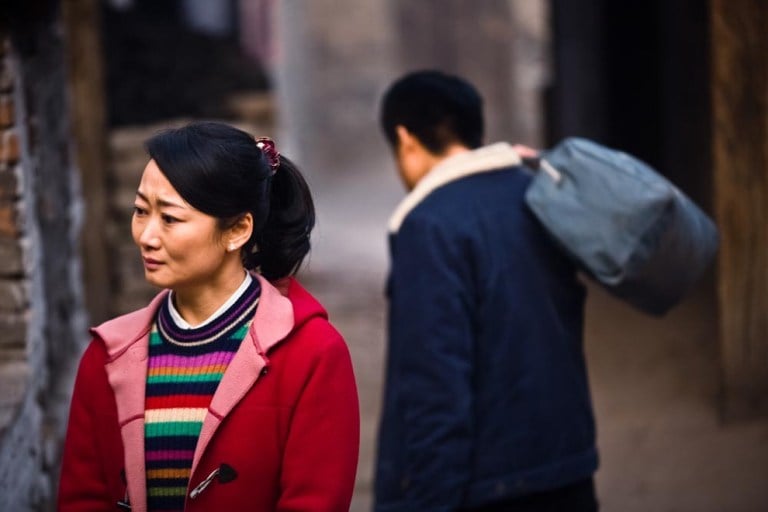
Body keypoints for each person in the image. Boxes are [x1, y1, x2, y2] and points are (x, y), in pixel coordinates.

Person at [58, 121, 360, 512]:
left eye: (170, 218)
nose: (146, 236)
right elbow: (82, 499)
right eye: (140, 211)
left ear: (237, 230)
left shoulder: (312, 354)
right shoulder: (106, 357)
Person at [373, 70, 599, 511]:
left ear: (405, 139)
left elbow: (435, 384)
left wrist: (427, 499)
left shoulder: (428, 225)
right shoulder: (535, 194)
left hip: (491, 486)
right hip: (568, 466)